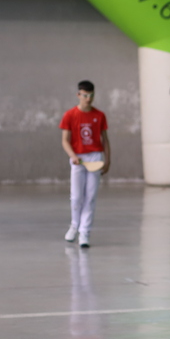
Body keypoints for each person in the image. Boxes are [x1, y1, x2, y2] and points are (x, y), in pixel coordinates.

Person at [60, 80, 110, 248]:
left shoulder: (100, 115)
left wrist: (107, 160)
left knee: (90, 197)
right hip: (78, 158)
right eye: (85, 95)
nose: (88, 99)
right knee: (76, 197)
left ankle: (85, 232)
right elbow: (65, 140)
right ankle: (74, 225)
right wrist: (73, 155)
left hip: (95, 157)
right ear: (78, 95)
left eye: (91, 95)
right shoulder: (69, 115)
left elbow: (105, 140)